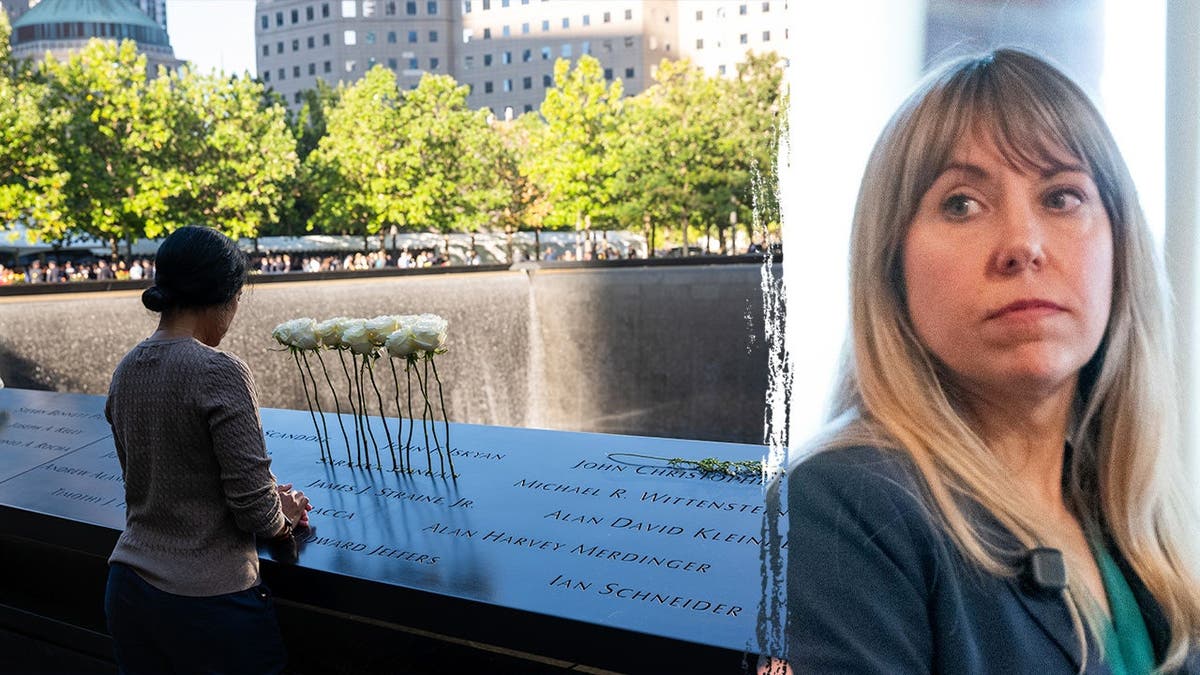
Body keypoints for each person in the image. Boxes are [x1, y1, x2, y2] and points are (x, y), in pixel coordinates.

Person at [781, 49, 1200, 674]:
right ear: (891, 269)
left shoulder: (1133, 523)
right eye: (961, 204)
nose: (1022, 246)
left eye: (1062, 197)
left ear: (1121, 251)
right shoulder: (836, 510)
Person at [104, 226, 312, 674]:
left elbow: (154, 480)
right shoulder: (220, 371)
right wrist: (286, 514)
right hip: (208, 606)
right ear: (227, 296)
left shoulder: (126, 369)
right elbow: (256, 513)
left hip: (129, 590)